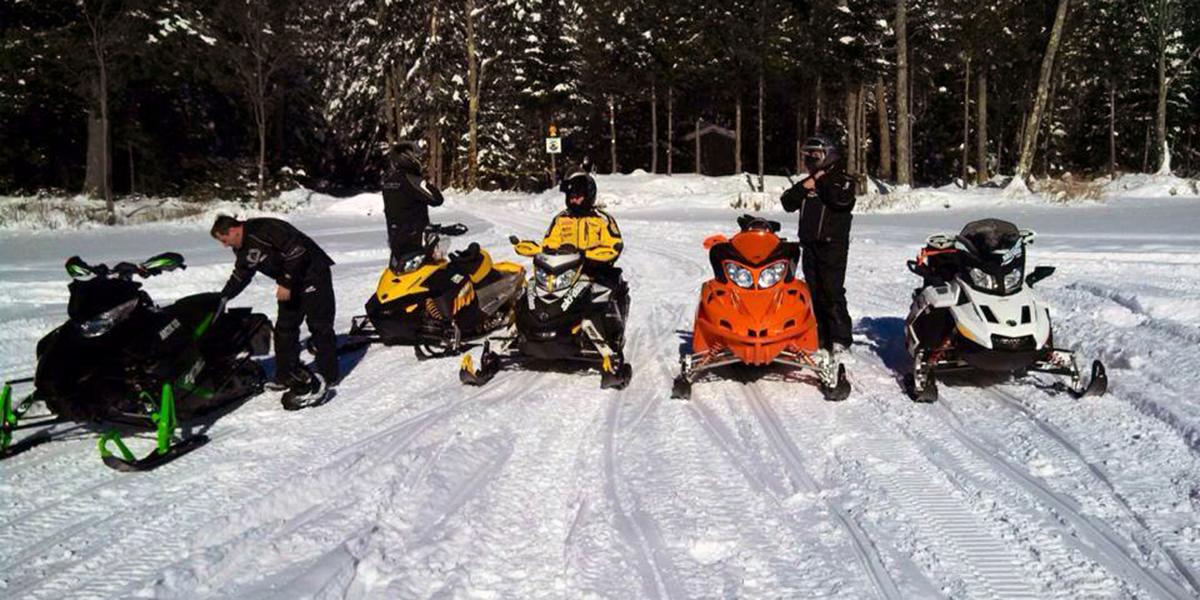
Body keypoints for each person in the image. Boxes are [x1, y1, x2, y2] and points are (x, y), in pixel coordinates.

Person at [211, 215, 337, 409]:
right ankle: (285, 376)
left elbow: (297, 250)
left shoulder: (264, 228)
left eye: (224, 240)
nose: (224, 245)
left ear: (234, 230)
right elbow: (241, 274)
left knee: (319, 326)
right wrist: (222, 298)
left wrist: (286, 281)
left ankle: (329, 376)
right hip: (290, 284)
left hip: (313, 274)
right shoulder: (241, 248)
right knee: (284, 329)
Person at [781, 135, 856, 357]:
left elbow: (840, 200)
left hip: (833, 245)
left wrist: (821, 180)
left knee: (831, 291)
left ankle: (840, 338)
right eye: (808, 156)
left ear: (827, 155)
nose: (810, 160)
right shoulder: (809, 181)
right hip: (810, 245)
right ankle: (819, 335)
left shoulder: (842, 179)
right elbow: (787, 202)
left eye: (815, 155)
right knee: (812, 292)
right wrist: (805, 186)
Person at [540, 159, 629, 337]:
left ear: (588, 194)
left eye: (578, 195)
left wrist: (588, 255)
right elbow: (548, 244)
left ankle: (610, 335)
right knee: (535, 289)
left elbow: (614, 244)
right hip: (564, 271)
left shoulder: (602, 219)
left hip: (594, 270)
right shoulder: (561, 219)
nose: (573, 199)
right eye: (571, 195)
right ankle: (533, 328)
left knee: (608, 290)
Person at [381, 141, 443, 261]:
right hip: (416, 239)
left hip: (395, 238)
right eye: (416, 156)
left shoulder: (388, 181)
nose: (419, 159)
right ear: (408, 158)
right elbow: (437, 199)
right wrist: (426, 181)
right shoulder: (413, 180)